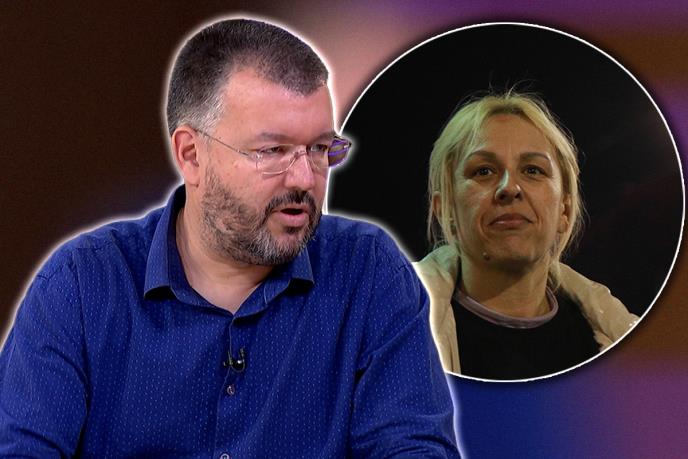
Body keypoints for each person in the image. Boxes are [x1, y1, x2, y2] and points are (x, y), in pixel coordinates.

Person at [0, 19, 459, 457]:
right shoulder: (82, 286)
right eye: (272, 150)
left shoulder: (368, 273)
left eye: (319, 149)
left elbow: (413, 447)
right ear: (191, 154)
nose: (305, 178)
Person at [415, 91, 639, 381]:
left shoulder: (624, 343)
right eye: (483, 171)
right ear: (445, 209)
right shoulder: (387, 339)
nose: (510, 188)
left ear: (564, 209)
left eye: (533, 170)